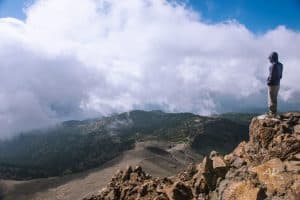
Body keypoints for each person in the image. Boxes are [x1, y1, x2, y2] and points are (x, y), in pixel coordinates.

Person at [267, 52, 283, 117]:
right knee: (274, 98)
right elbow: (281, 76)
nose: (269, 60)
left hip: (272, 84)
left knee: (271, 99)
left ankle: (272, 113)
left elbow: (271, 76)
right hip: (278, 84)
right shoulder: (281, 65)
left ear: (272, 58)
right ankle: (274, 112)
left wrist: (268, 82)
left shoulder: (273, 65)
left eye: (270, 58)